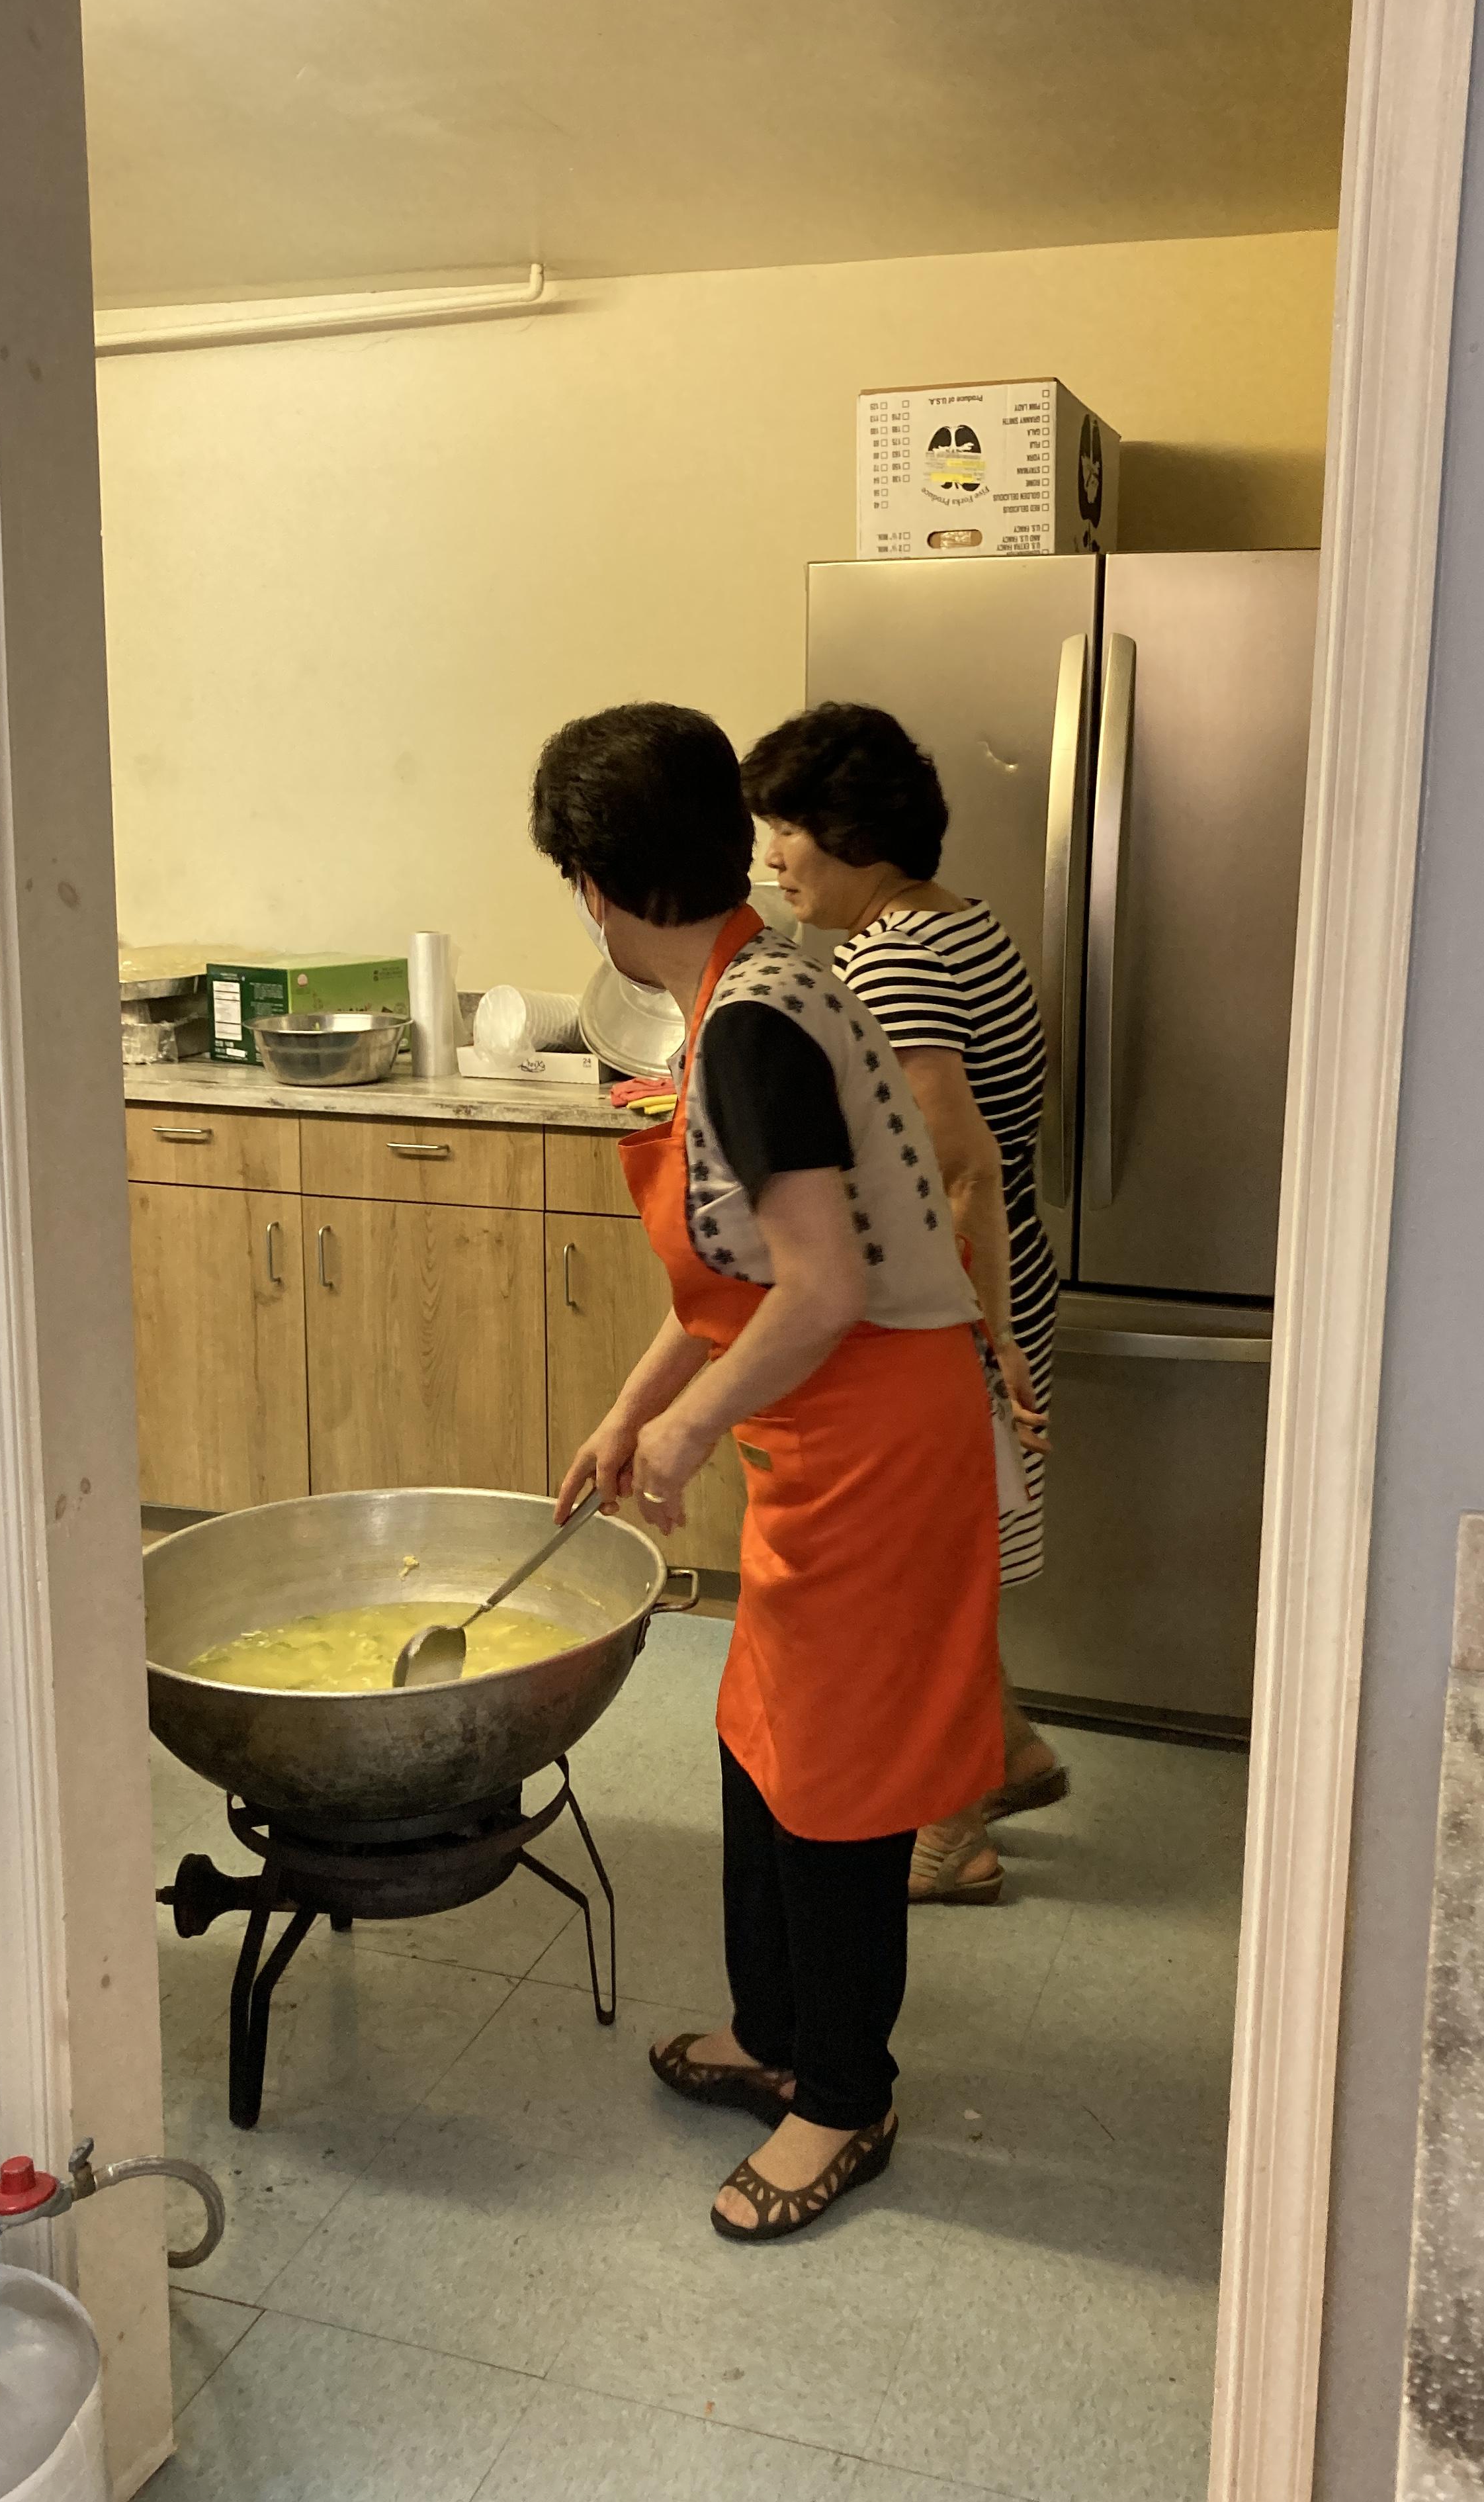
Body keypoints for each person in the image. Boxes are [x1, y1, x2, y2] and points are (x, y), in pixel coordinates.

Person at [531, 699, 1004, 2242]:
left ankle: (845, 2096)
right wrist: (633, 1409)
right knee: (761, 1739)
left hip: (876, 1442)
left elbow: (823, 1289)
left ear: (598, 885)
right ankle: (776, 2030)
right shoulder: (758, 980)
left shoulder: (750, 1021)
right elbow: (733, 1283)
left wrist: (683, 1434)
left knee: (838, 1782)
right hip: (827, 1429)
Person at [742, 701, 1068, 1907]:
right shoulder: (961, 922)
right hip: (1002, 1277)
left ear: (855, 834)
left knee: (927, 1580)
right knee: (954, 1556)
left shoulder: (893, 960)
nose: (773, 858)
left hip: (956, 1306)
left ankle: (952, 1834)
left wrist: (980, 1348)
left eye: (788, 830)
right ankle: (1012, 1751)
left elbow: (953, 1167)